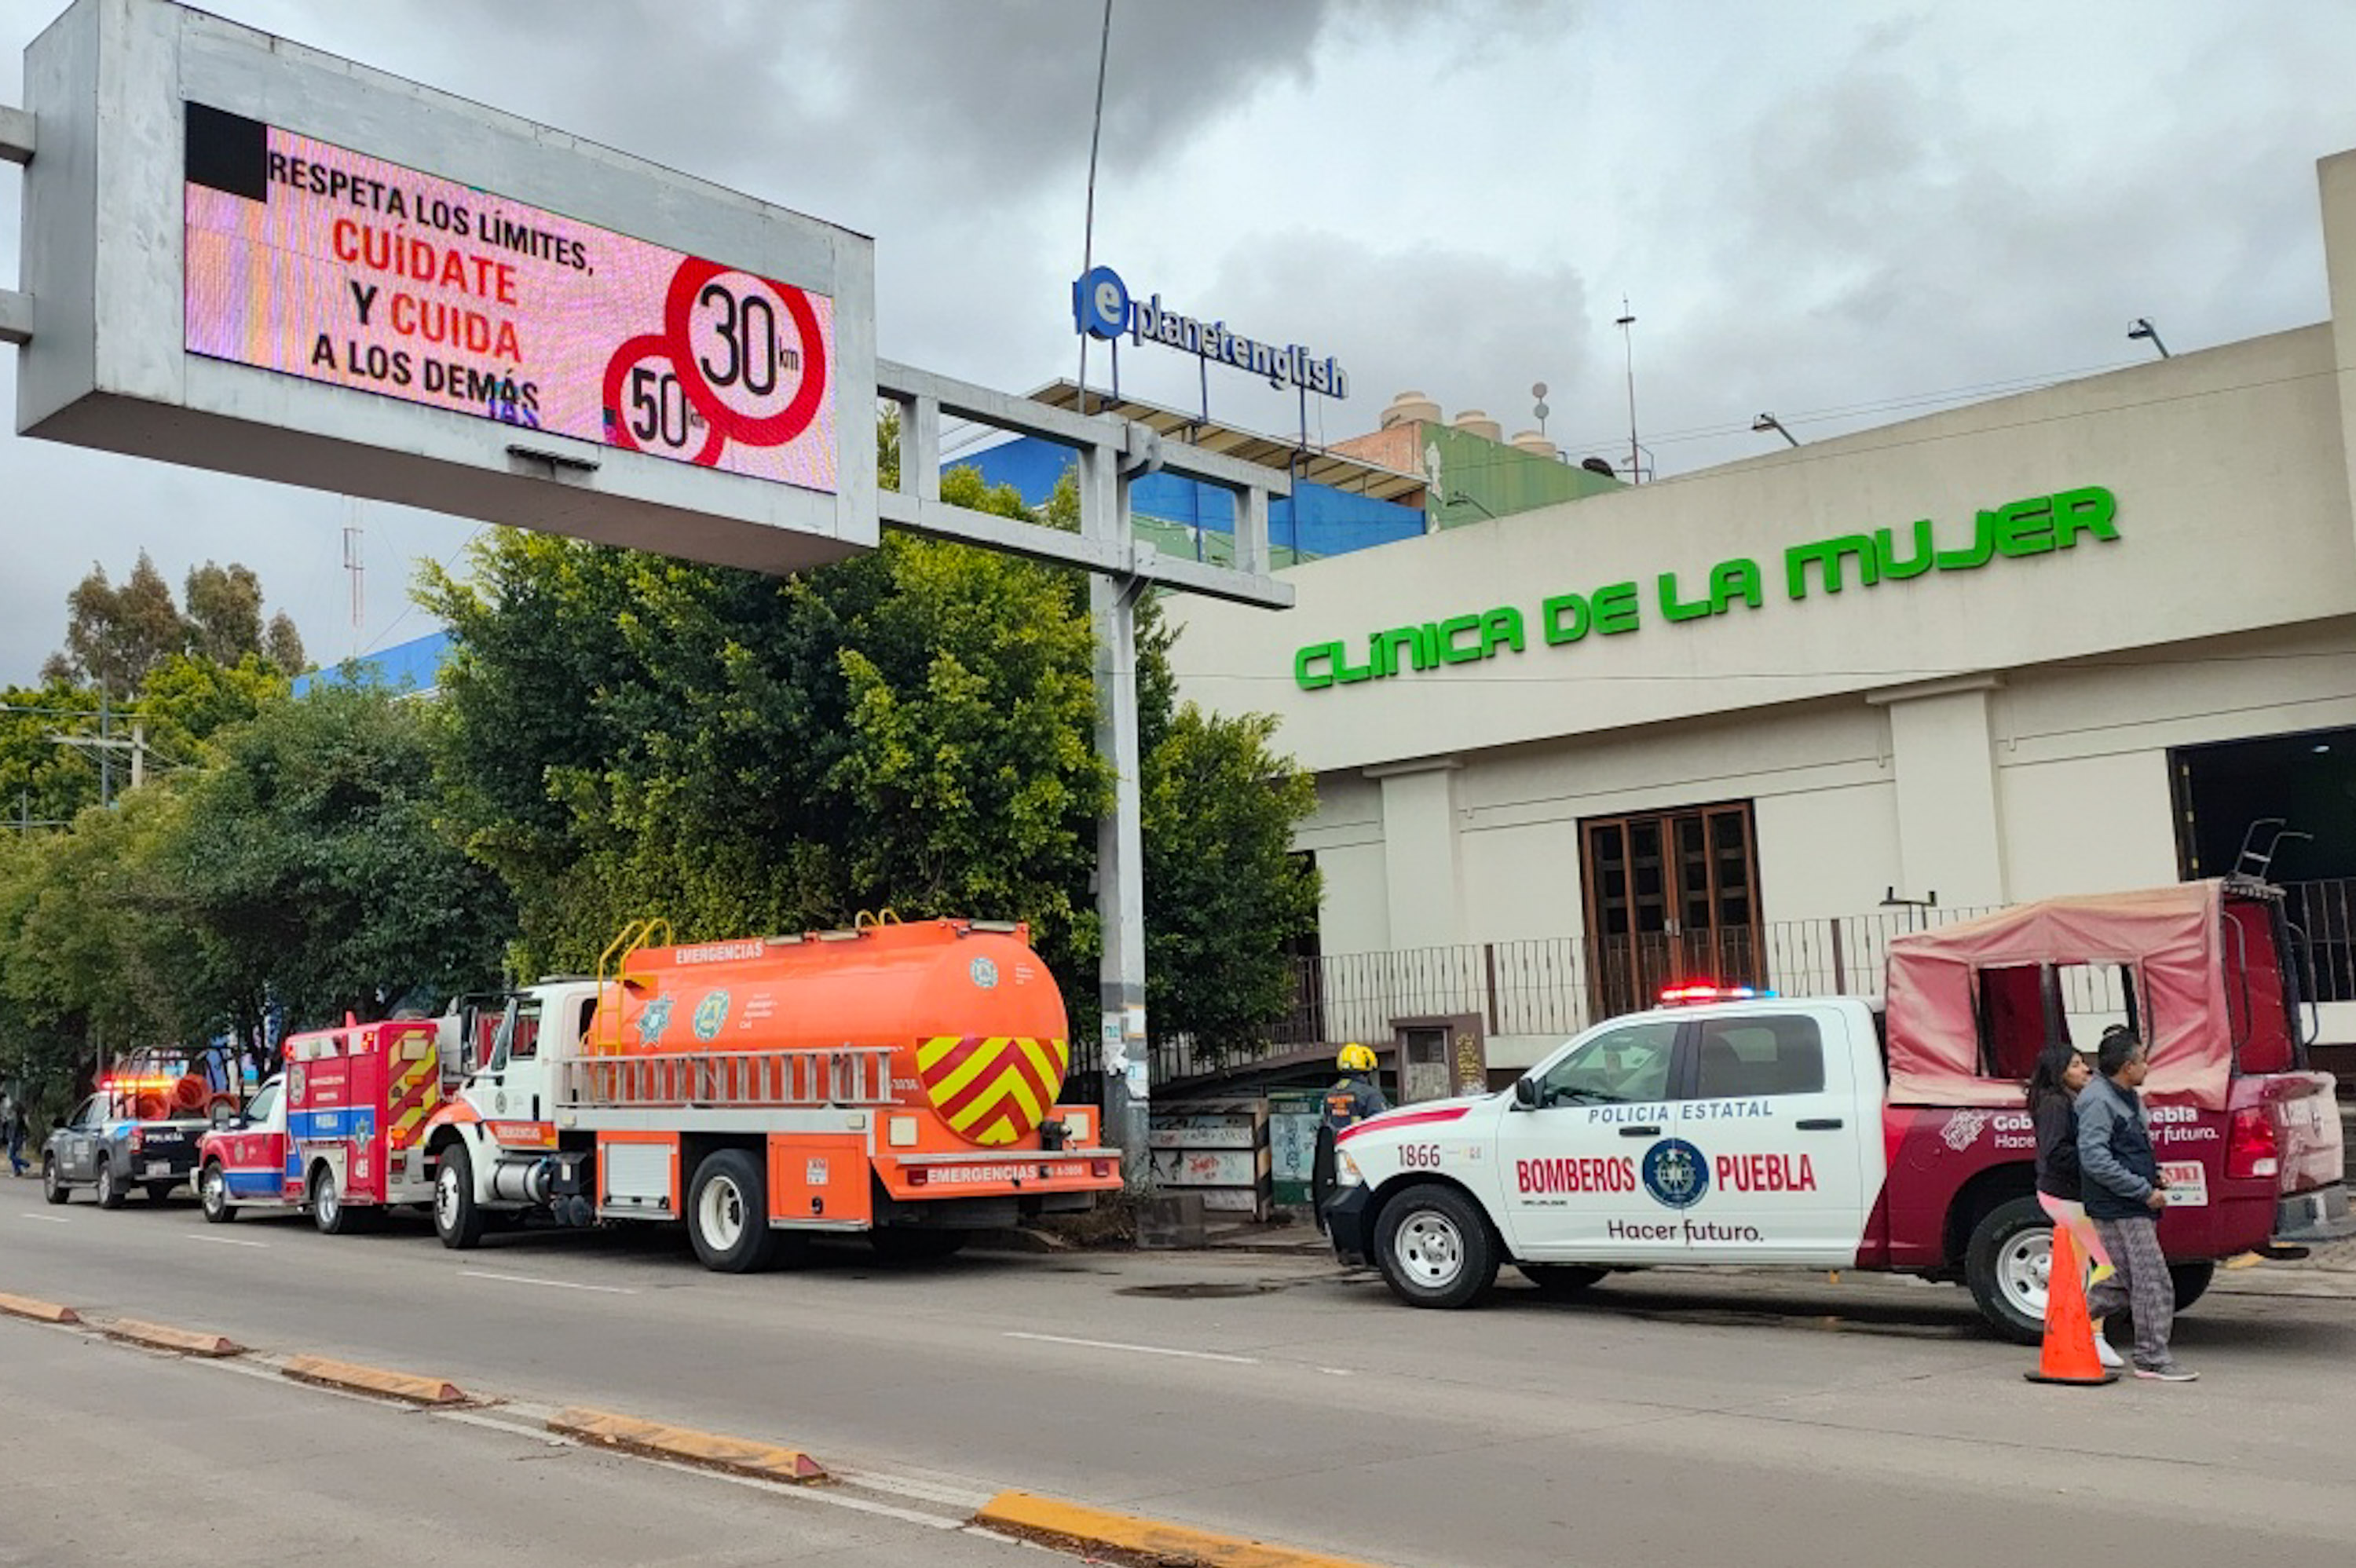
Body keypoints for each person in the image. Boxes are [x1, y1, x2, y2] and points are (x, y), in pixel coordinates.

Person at [2077, 1025, 2194, 1381]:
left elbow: (2132, 1148)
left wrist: (2154, 1174)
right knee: (2152, 1281)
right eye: (2143, 1061)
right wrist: (2142, 1191)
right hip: (2120, 1206)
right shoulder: (2099, 1099)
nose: (2147, 1067)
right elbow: (2094, 1157)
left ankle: (2066, 1320)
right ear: (2127, 1066)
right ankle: (2152, 1357)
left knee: (2124, 1281)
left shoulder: (2129, 1096)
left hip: (2130, 1201)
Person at [2026, 1040, 2123, 1369]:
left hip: (2068, 1195)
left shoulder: (2066, 1100)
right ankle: (2092, 1334)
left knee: (2084, 1267)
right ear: (2058, 1072)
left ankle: (2081, 1333)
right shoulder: (2055, 1104)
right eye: (2076, 1065)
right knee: (2108, 1263)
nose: (2086, 1070)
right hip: (2065, 1196)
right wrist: (2096, 1159)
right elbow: (2054, 1152)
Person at [1311, 1044, 1391, 1234]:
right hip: (1361, 1155)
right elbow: (1382, 1123)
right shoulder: (1370, 1094)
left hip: (1336, 1153)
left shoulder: (1330, 1093)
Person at [4, 1095, 27, 1178]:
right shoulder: (19, 1118)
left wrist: (12, 1139)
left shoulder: (16, 1119)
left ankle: (25, 1164)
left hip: (15, 1138)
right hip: (17, 1138)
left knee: (11, 1155)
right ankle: (17, 1171)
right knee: (14, 1155)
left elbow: (15, 1129)